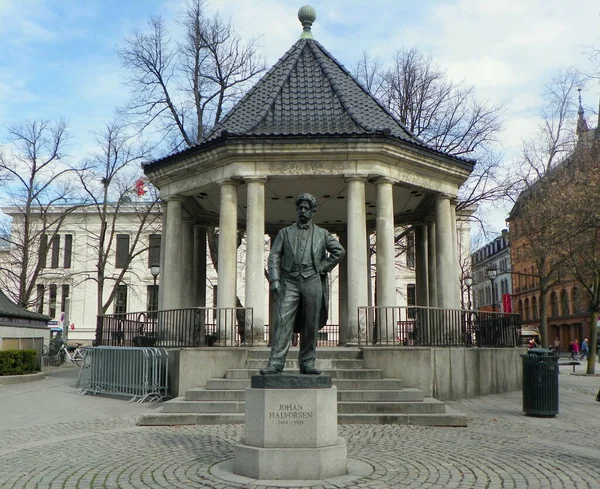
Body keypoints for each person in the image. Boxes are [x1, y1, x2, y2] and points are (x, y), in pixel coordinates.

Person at [261, 193, 345, 375]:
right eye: (300, 208)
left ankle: (307, 362)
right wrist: (274, 279)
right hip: (289, 280)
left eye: (307, 208)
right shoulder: (285, 233)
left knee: (310, 323)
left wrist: (323, 267)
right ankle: (275, 363)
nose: (303, 211)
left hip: (312, 280)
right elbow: (274, 256)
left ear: (313, 211)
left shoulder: (322, 234)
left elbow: (339, 251)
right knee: (283, 321)